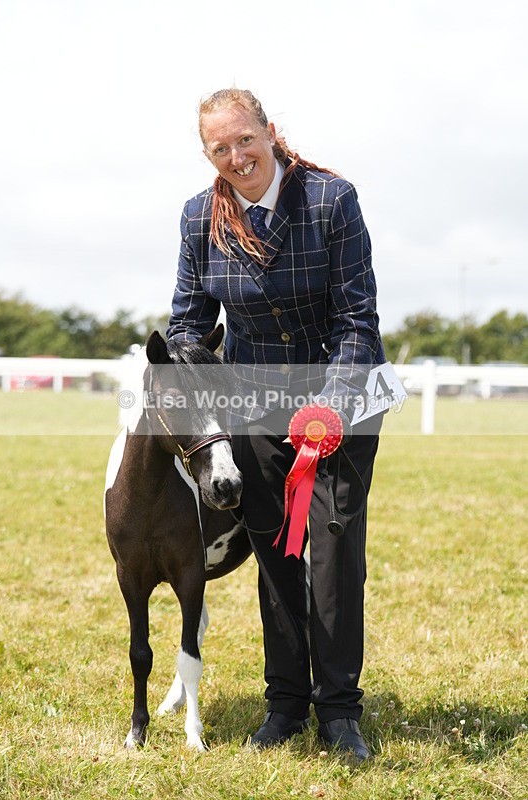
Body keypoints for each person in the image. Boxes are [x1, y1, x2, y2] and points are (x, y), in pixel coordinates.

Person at [166, 88, 386, 761]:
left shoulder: (330, 200)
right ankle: (285, 703)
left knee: (333, 555)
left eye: (244, 140)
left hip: (340, 401)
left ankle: (339, 711)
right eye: (219, 148)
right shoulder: (199, 215)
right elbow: (188, 321)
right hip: (252, 407)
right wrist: (174, 364)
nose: (236, 157)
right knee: (275, 554)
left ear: (268, 130)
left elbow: (357, 318)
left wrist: (328, 405)